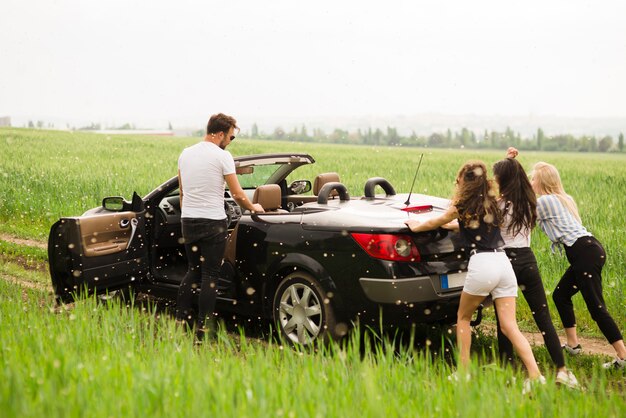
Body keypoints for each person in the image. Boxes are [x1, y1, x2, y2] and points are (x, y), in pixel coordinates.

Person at [405, 160, 545, 389]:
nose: (456, 183)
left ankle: (464, 372)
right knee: (510, 327)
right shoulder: (491, 203)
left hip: (482, 264)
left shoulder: (462, 203)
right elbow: (473, 226)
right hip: (503, 264)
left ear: (463, 180)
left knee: (463, 318)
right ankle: (535, 376)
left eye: (457, 179)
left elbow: (435, 222)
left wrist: (416, 226)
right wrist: (455, 225)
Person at [492, 149, 578, 388]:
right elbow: (515, 176)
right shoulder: (530, 202)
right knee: (543, 317)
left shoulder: (499, 204)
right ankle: (561, 370)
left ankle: (506, 369)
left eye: (497, 177)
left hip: (505, 261)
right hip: (527, 261)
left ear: (503, 180)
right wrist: (510, 161)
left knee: (505, 320)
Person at [176, 113, 264, 341]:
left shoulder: (185, 154)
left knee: (192, 271)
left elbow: (183, 191)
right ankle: (203, 329)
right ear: (220, 133)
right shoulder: (222, 156)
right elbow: (236, 194)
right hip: (212, 222)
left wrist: (188, 215)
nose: (230, 141)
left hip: (188, 221)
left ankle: (181, 320)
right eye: (231, 137)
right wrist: (253, 207)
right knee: (210, 275)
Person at [531, 161, 626, 369]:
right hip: (589, 250)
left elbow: (522, 212)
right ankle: (573, 345)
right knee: (561, 295)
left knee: (596, 307)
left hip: (584, 253)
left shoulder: (546, 201)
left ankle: (623, 356)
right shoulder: (563, 198)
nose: (531, 182)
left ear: (542, 181)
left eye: (533, 178)